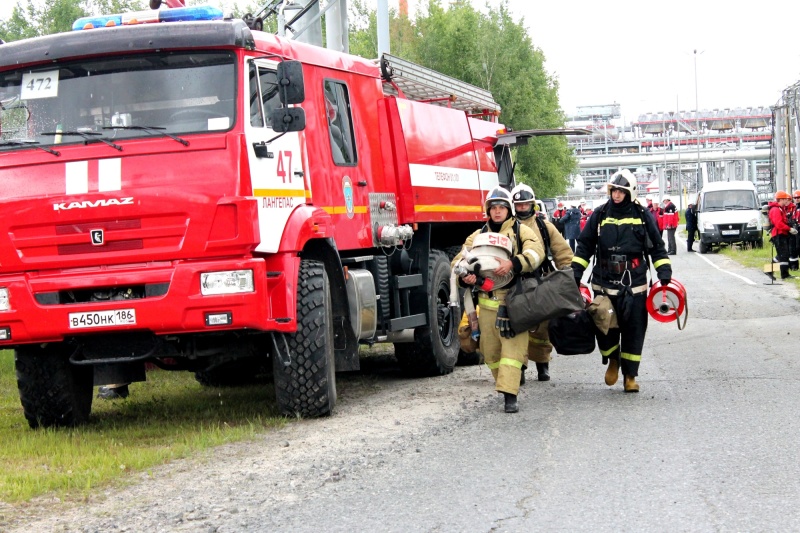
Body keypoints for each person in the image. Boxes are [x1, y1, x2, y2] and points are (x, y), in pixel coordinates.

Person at [571, 169, 672, 393]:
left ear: (630, 192)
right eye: (614, 190)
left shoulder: (642, 215)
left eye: (621, 191)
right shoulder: (600, 215)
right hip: (603, 282)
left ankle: (630, 375)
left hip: (633, 282)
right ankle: (613, 359)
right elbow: (585, 245)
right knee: (603, 326)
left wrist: (664, 272)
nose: (616, 195)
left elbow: (656, 247)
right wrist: (576, 272)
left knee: (634, 329)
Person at [452, 187, 545, 413]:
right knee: (490, 352)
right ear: (488, 210)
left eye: (501, 207)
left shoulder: (520, 231)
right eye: (493, 208)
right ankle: (504, 382)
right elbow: (458, 262)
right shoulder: (477, 236)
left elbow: (536, 253)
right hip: (486, 302)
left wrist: (513, 263)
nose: (497, 212)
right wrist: (466, 277)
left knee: (513, 352)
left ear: (508, 210)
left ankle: (509, 395)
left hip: (514, 302)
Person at [510, 183, 573, 383]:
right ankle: (518, 368)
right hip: (515, 283)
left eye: (525, 204)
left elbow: (563, 253)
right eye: (519, 205)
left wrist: (569, 277)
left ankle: (542, 364)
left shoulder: (545, 226)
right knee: (516, 326)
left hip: (541, 280)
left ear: (532, 205)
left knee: (542, 328)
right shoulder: (506, 227)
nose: (522, 208)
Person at [767, 190, 796, 280]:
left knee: (782, 255)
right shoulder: (776, 210)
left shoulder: (779, 209)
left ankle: (770, 271)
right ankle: (784, 274)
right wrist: (789, 229)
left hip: (781, 234)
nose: (786, 201)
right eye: (785, 199)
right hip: (779, 235)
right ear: (781, 199)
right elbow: (778, 224)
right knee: (783, 254)